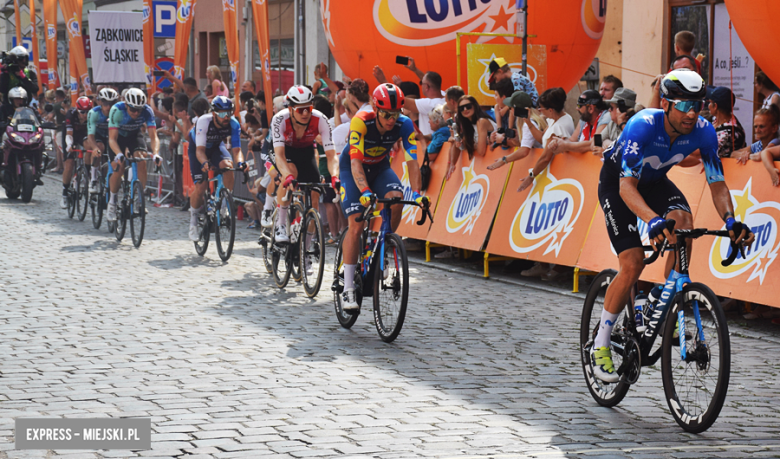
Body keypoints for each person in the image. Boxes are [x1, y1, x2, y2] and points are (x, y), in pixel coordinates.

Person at [589, 69, 754, 383]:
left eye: (698, 105)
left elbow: (717, 183)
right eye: (683, 105)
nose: (692, 113)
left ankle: (663, 297)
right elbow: (627, 188)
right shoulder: (643, 126)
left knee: (685, 224)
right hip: (619, 184)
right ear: (665, 103)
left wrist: (731, 221)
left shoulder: (704, 132)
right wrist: (651, 220)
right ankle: (601, 344)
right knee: (632, 262)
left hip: (654, 183)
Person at [339, 83, 424, 311]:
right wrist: (365, 191)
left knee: (397, 197)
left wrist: (417, 193)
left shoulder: (404, 125)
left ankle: (385, 244)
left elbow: (412, 162)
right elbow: (355, 163)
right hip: (352, 170)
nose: (390, 120)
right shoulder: (361, 121)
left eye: (395, 114)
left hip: (379, 168)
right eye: (386, 114)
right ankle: (348, 288)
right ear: (376, 109)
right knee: (356, 224)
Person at [270, 86, 338, 243]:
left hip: (306, 152)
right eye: (301, 110)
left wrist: (334, 176)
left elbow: (331, 155)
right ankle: (280, 224)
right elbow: (279, 155)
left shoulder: (321, 119)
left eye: (308, 108)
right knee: (291, 172)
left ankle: (306, 252)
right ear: (291, 109)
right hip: (284, 151)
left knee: (314, 197)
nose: (306, 113)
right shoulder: (280, 119)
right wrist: (286, 176)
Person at [187, 96, 247, 240]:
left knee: (228, 166)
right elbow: (200, 151)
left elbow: (237, 151)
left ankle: (224, 206)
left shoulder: (233, 123)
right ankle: (193, 221)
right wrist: (204, 163)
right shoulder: (204, 121)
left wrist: (241, 163)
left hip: (215, 147)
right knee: (201, 187)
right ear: (213, 113)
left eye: (228, 113)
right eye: (221, 113)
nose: (225, 117)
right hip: (198, 149)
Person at [106, 88, 162, 223]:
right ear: (126, 105)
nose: (136, 113)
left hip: (133, 136)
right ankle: (112, 203)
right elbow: (112, 139)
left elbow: (154, 136)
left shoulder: (147, 111)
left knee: (141, 159)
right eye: (133, 110)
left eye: (139, 110)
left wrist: (155, 154)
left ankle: (139, 199)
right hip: (117, 138)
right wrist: (119, 154)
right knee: (118, 168)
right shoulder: (117, 110)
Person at [373, 67, 444, 138]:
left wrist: (384, 82)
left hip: (429, 145)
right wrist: (415, 69)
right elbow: (432, 82)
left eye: (421, 83)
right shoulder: (444, 96)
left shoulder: (428, 104)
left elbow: (398, 99)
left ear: (427, 86)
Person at [447, 95, 496, 179]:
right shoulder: (468, 126)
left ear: (475, 106)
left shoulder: (481, 122)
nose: (465, 109)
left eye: (468, 106)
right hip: (487, 167)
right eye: (462, 108)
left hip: (495, 163)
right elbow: (469, 149)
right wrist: (463, 144)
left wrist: (469, 144)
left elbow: (481, 151)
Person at [59, 96, 93, 208]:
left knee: (90, 147)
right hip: (70, 134)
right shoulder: (71, 114)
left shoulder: (92, 115)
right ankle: (64, 192)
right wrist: (69, 145)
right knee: (69, 163)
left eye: (87, 112)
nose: (85, 115)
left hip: (83, 134)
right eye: (82, 112)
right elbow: (69, 134)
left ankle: (86, 173)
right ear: (77, 110)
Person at [87, 87, 120, 193]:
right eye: (105, 103)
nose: (109, 107)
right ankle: (93, 179)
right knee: (99, 148)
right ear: (100, 102)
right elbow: (90, 136)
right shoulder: (94, 113)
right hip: (98, 135)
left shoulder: (118, 113)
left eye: (112, 103)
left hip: (112, 137)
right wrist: (95, 148)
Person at [704, 86, 746, 159]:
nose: (708, 106)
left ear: (715, 106)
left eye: (710, 102)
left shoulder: (727, 134)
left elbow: (704, 153)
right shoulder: (717, 118)